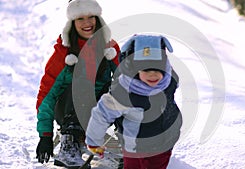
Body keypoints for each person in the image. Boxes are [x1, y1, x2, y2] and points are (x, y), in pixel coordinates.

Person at [35, 0, 120, 168]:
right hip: (68, 109)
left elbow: (126, 80)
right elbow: (47, 95)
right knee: (80, 84)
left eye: (91, 17)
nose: (87, 23)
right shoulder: (63, 53)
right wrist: (45, 135)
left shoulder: (109, 48)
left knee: (120, 88)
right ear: (72, 23)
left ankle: (121, 145)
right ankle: (69, 144)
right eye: (80, 18)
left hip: (98, 111)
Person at [85, 34, 182, 169]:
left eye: (157, 68)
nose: (153, 75)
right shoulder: (123, 92)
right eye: (146, 69)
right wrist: (94, 141)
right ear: (134, 68)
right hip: (135, 149)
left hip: (165, 143)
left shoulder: (169, 79)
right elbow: (101, 114)